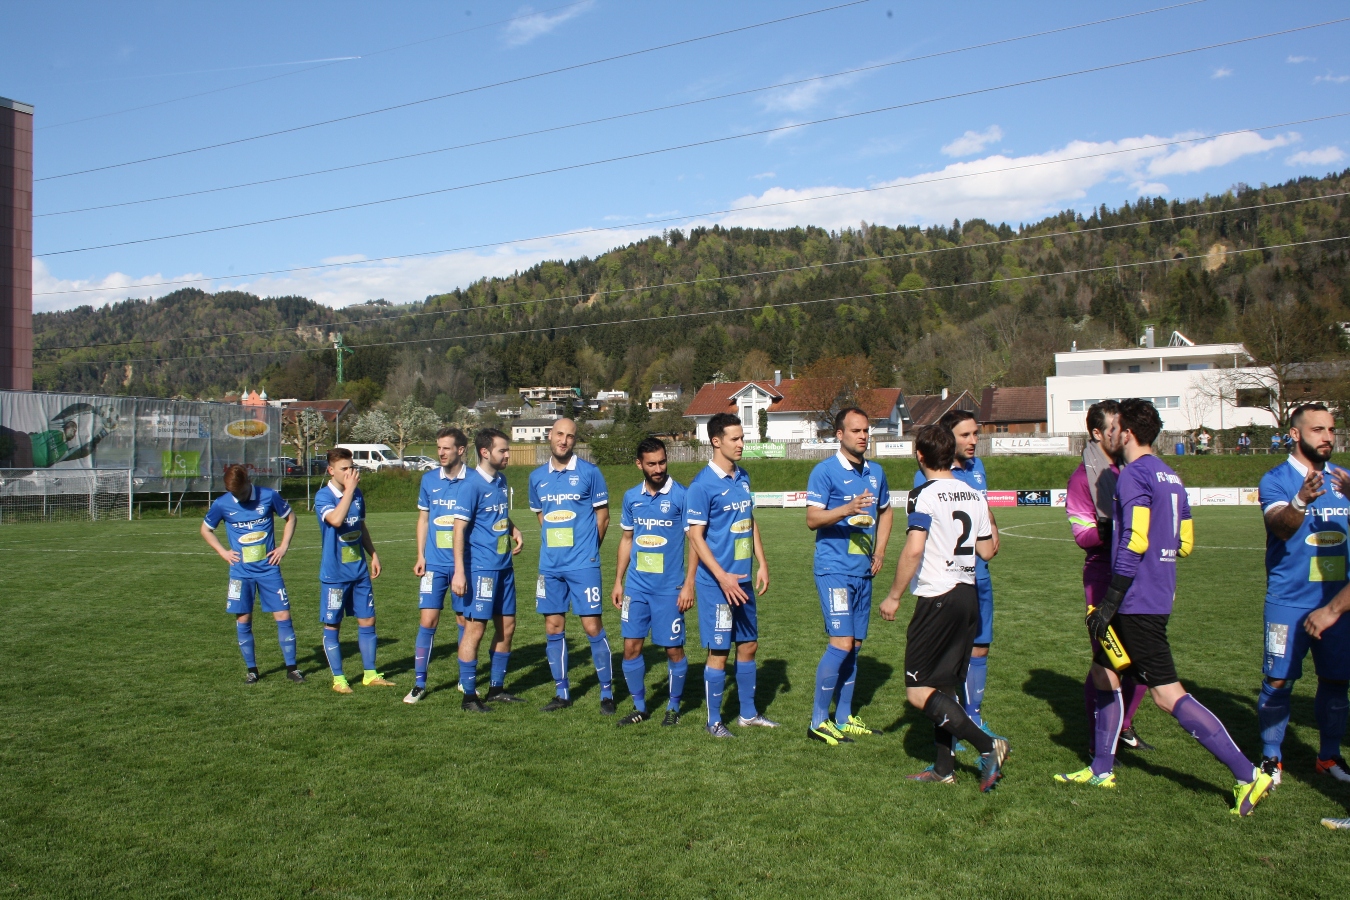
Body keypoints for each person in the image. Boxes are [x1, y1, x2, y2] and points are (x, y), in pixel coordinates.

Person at [1055, 399, 1274, 816]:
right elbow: (1185, 543)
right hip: (1155, 592)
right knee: (1104, 673)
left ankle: (1248, 775)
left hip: (1135, 601)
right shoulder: (1171, 475)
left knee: (1167, 694)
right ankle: (1101, 768)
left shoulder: (1133, 474)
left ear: (1127, 433)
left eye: (1115, 428)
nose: (1110, 435)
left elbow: (1134, 540)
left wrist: (1111, 599)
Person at [880, 424, 1004, 789]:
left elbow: (914, 549)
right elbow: (987, 550)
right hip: (967, 596)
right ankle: (943, 769)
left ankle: (988, 746)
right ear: (951, 454)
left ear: (919, 455)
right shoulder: (974, 495)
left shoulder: (922, 494)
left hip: (938, 597)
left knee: (919, 691)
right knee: (945, 687)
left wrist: (894, 596)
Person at [1254, 404, 1350, 786]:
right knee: (1278, 681)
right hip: (1288, 601)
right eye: (1317, 430)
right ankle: (1271, 758)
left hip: (1338, 603)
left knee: (1337, 681)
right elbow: (1279, 527)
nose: (1327, 437)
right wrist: (1300, 501)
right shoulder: (1276, 480)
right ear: (1294, 434)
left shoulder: (1344, 480)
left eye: (1331, 429)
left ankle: (1329, 757)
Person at [1065, 401, 1154, 752]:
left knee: (1144, 661)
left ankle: (1124, 726)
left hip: (1138, 573)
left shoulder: (1132, 468)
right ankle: (1098, 742)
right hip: (1103, 574)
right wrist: (1116, 529)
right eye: (1115, 427)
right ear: (1097, 433)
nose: (1122, 432)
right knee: (1107, 662)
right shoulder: (1082, 478)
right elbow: (1082, 535)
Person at [804, 407, 893, 745]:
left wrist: (880, 551)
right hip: (834, 570)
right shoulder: (825, 471)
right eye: (856, 430)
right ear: (839, 435)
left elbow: (886, 511)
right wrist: (847, 508)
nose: (863, 436)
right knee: (841, 643)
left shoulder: (876, 472)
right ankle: (818, 721)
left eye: (866, 430)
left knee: (854, 645)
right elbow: (812, 519)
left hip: (862, 571)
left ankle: (843, 717)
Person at [913, 409, 1002, 742]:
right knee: (946, 661)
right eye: (966, 435)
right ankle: (955, 726)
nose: (973, 441)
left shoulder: (977, 469)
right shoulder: (927, 478)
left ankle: (974, 718)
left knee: (980, 648)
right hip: (948, 582)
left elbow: (986, 516)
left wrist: (991, 525)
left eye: (976, 434)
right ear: (948, 439)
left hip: (979, 575)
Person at [687, 412, 776, 737]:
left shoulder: (743, 477)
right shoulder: (701, 485)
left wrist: (762, 562)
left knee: (749, 645)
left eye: (742, 438)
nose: (741, 444)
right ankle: (714, 721)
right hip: (717, 585)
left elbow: (749, 522)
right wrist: (722, 576)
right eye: (735, 439)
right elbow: (695, 537)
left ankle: (748, 715)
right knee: (720, 651)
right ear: (716, 441)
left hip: (743, 580)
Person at [529, 418, 614, 713]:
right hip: (550, 566)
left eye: (570, 436)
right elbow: (541, 516)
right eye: (559, 434)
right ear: (550, 436)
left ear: (575, 440)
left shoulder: (590, 473)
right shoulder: (536, 477)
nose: (564, 440)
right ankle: (562, 692)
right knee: (553, 626)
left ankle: (607, 693)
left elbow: (603, 517)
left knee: (592, 626)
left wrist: (589, 550)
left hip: (583, 565)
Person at [611, 437, 697, 727]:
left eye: (662, 462)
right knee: (631, 647)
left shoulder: (682, 496)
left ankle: (673, 706)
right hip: (636, 587)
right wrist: (618, 581)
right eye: (652, 464)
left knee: (673, 649)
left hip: (669, 589)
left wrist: (688, 584)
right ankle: (640, 707)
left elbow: (695, 542)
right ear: (639, 464)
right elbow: (627, 539)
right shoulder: (631, 497)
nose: (658, 468)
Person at [200, 463, 302, 684]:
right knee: (243, 618)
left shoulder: (269, 496)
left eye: (242, 492)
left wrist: (283, 546)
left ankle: (292, 669)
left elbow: (291, 518)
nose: (240, 497)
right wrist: (223, 552)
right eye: (235, 494)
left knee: (283, 615)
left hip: (268, 569)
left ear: (249, 481)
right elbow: (206, 529)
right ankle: (252, 670)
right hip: (240, 572)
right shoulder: (222, 504)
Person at [451, 428, 525, 711]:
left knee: (507, 627)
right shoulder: (470, 485)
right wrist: (460, 572)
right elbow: (458, 529)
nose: (508, 455)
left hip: (504, 567)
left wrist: (513, 529)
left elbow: (497, 514)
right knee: (475, 630)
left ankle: (496, 689)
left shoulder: (501, 480)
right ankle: (469, 696)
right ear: (485, 452)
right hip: (480, 570)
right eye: (502, 450)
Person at [315, 447, 393, 694]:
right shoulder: (323, 497)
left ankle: (370, 674)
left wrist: (373, 554)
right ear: (331, 470)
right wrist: (348, 491)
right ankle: (339, 679)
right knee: (333, 624)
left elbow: (360, 525)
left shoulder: (357, 493)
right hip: (335, 575)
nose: (350, 472)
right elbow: (336, 520)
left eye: (352, 467)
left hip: (359, 572)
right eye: (344, 469)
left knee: (368, 619)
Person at [405, 426, 470, 704]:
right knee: (427, 620)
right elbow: (423, 519)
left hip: (463, 566)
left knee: (464, 621)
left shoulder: (474, 480)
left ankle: (465, 679)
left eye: (446, 448)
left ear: (461, 450)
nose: (441, 453)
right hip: (434, 565)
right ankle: (419, 683)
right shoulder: (429, 480)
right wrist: (420, 555)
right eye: (438, 447)